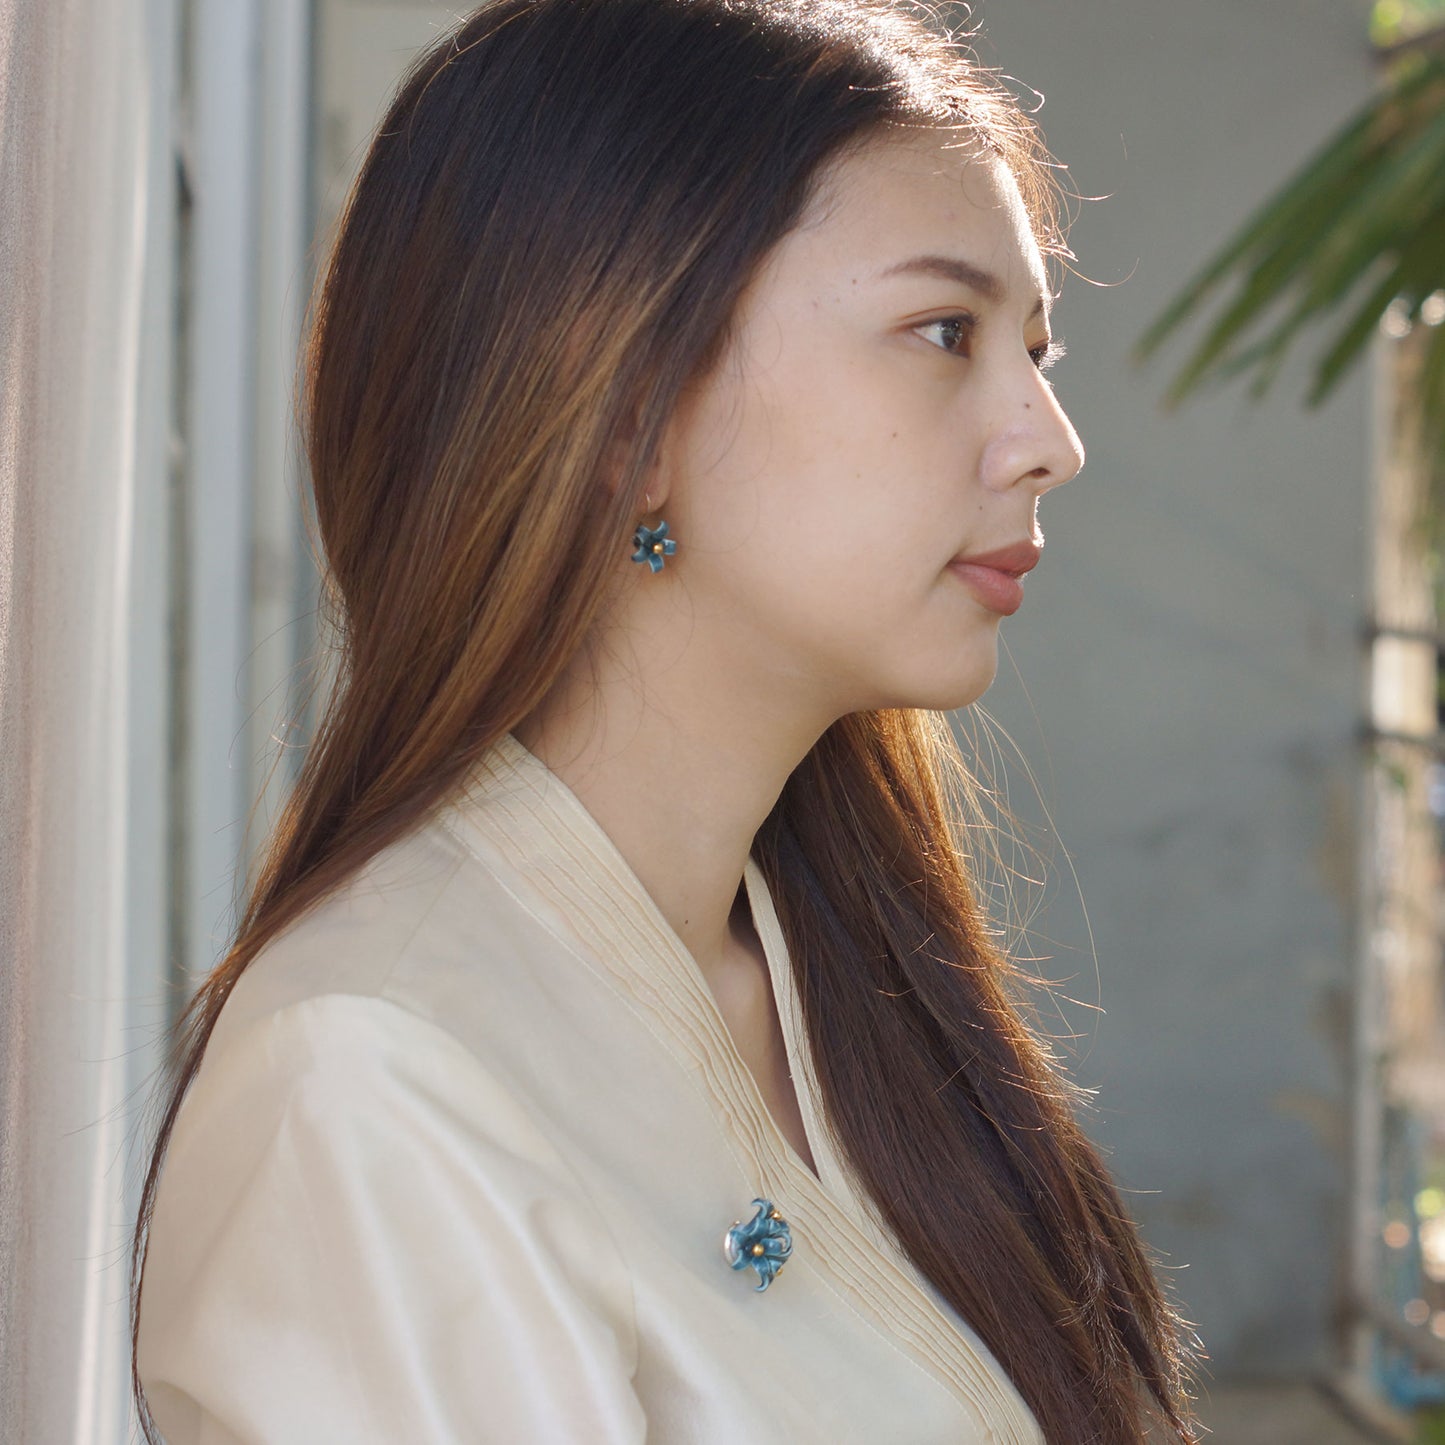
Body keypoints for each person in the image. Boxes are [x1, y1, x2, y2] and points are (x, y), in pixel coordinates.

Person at [132, 1, 1199, 1440]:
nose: (1046, 441)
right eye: (941, 332)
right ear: (627, 408)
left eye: (1034, 347)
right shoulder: (369, 1082)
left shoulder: (832, 968)